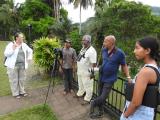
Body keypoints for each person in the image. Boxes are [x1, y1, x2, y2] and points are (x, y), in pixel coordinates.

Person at [90, 35, 131, 119]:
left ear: (111, 42)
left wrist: (128, 76)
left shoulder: (120, 53)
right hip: (101, 76)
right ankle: (101, 112)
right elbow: (103, 62)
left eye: (105, 41)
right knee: (100, 95)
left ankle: (93, 103)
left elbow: (124, 65)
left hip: (110, 79)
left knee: (103, 96)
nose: (103, 43)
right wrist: (95, 70)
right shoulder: (104, 50)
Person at [120, 37, 160, 120]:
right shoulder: (155, 67)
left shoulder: (145, 71)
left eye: (137, 48)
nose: (134, 51)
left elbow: (136, 102)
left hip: (137, 115)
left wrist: (125, 115)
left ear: (147, 51)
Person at [4, 32, 33, 99]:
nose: (22, 38)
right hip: (13, 66)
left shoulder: (24, 45)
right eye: (21, 37)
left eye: (23, 37)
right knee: (14, 80)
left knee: (22, 79)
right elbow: (6, 54)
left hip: (22, 65)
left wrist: (29, 58)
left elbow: (30, 51)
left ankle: (22, 91)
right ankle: (15, 93)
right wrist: (13, 49)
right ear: (17, 38)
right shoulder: (11, 44)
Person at [76, 35, 97, 105]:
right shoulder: (83, 48)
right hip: (80, 71)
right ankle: (80, 93)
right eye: (82, 40)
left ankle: (88, 98)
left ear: (88, 41)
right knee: (80, 84)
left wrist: (92, 73)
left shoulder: (92, 51)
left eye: (83, 40)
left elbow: (94, 63)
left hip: (86, 72)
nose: (82, 41)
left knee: (88, 86)